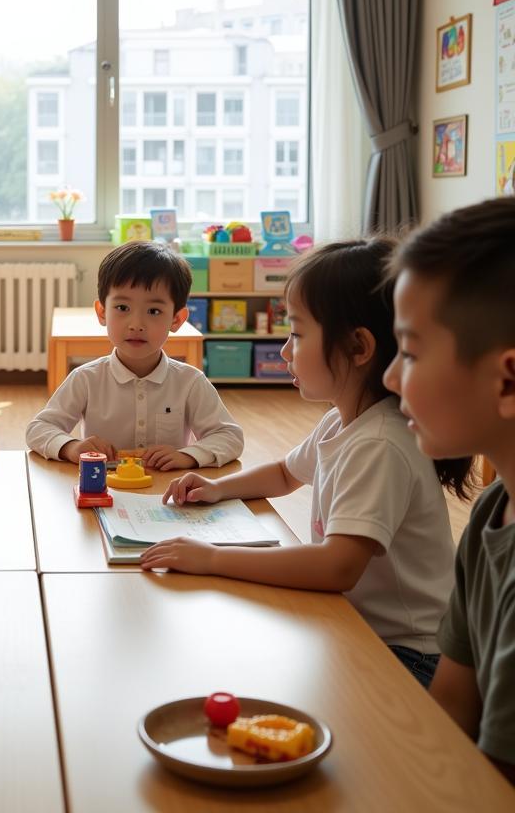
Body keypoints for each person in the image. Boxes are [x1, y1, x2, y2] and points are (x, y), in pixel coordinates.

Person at [142, 239, 470, 687]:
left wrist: (214, 558)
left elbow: (336, 566)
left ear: (358, 347)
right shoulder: (344, 420)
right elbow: (284, 474)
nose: (283, 351)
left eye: (296, 333)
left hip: (408, 653)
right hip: (360, 625)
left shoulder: (379, 443)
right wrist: (218, 488)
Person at [385, 197, 515, 778]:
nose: (390, 377)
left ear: (508, 379)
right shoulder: (495, 506)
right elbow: (452, 714)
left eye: (409, 353)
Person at [26, 239, 243, 469]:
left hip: (166, 494)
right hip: (103, 488)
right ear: (102, 312)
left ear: (176, 319)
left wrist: (189, 455)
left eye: (154, 311)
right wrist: (71, 447)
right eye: (122, 308)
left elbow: (230, 436)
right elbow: (38, 429)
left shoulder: (189, 382)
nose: (137, 324)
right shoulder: (87, 378)